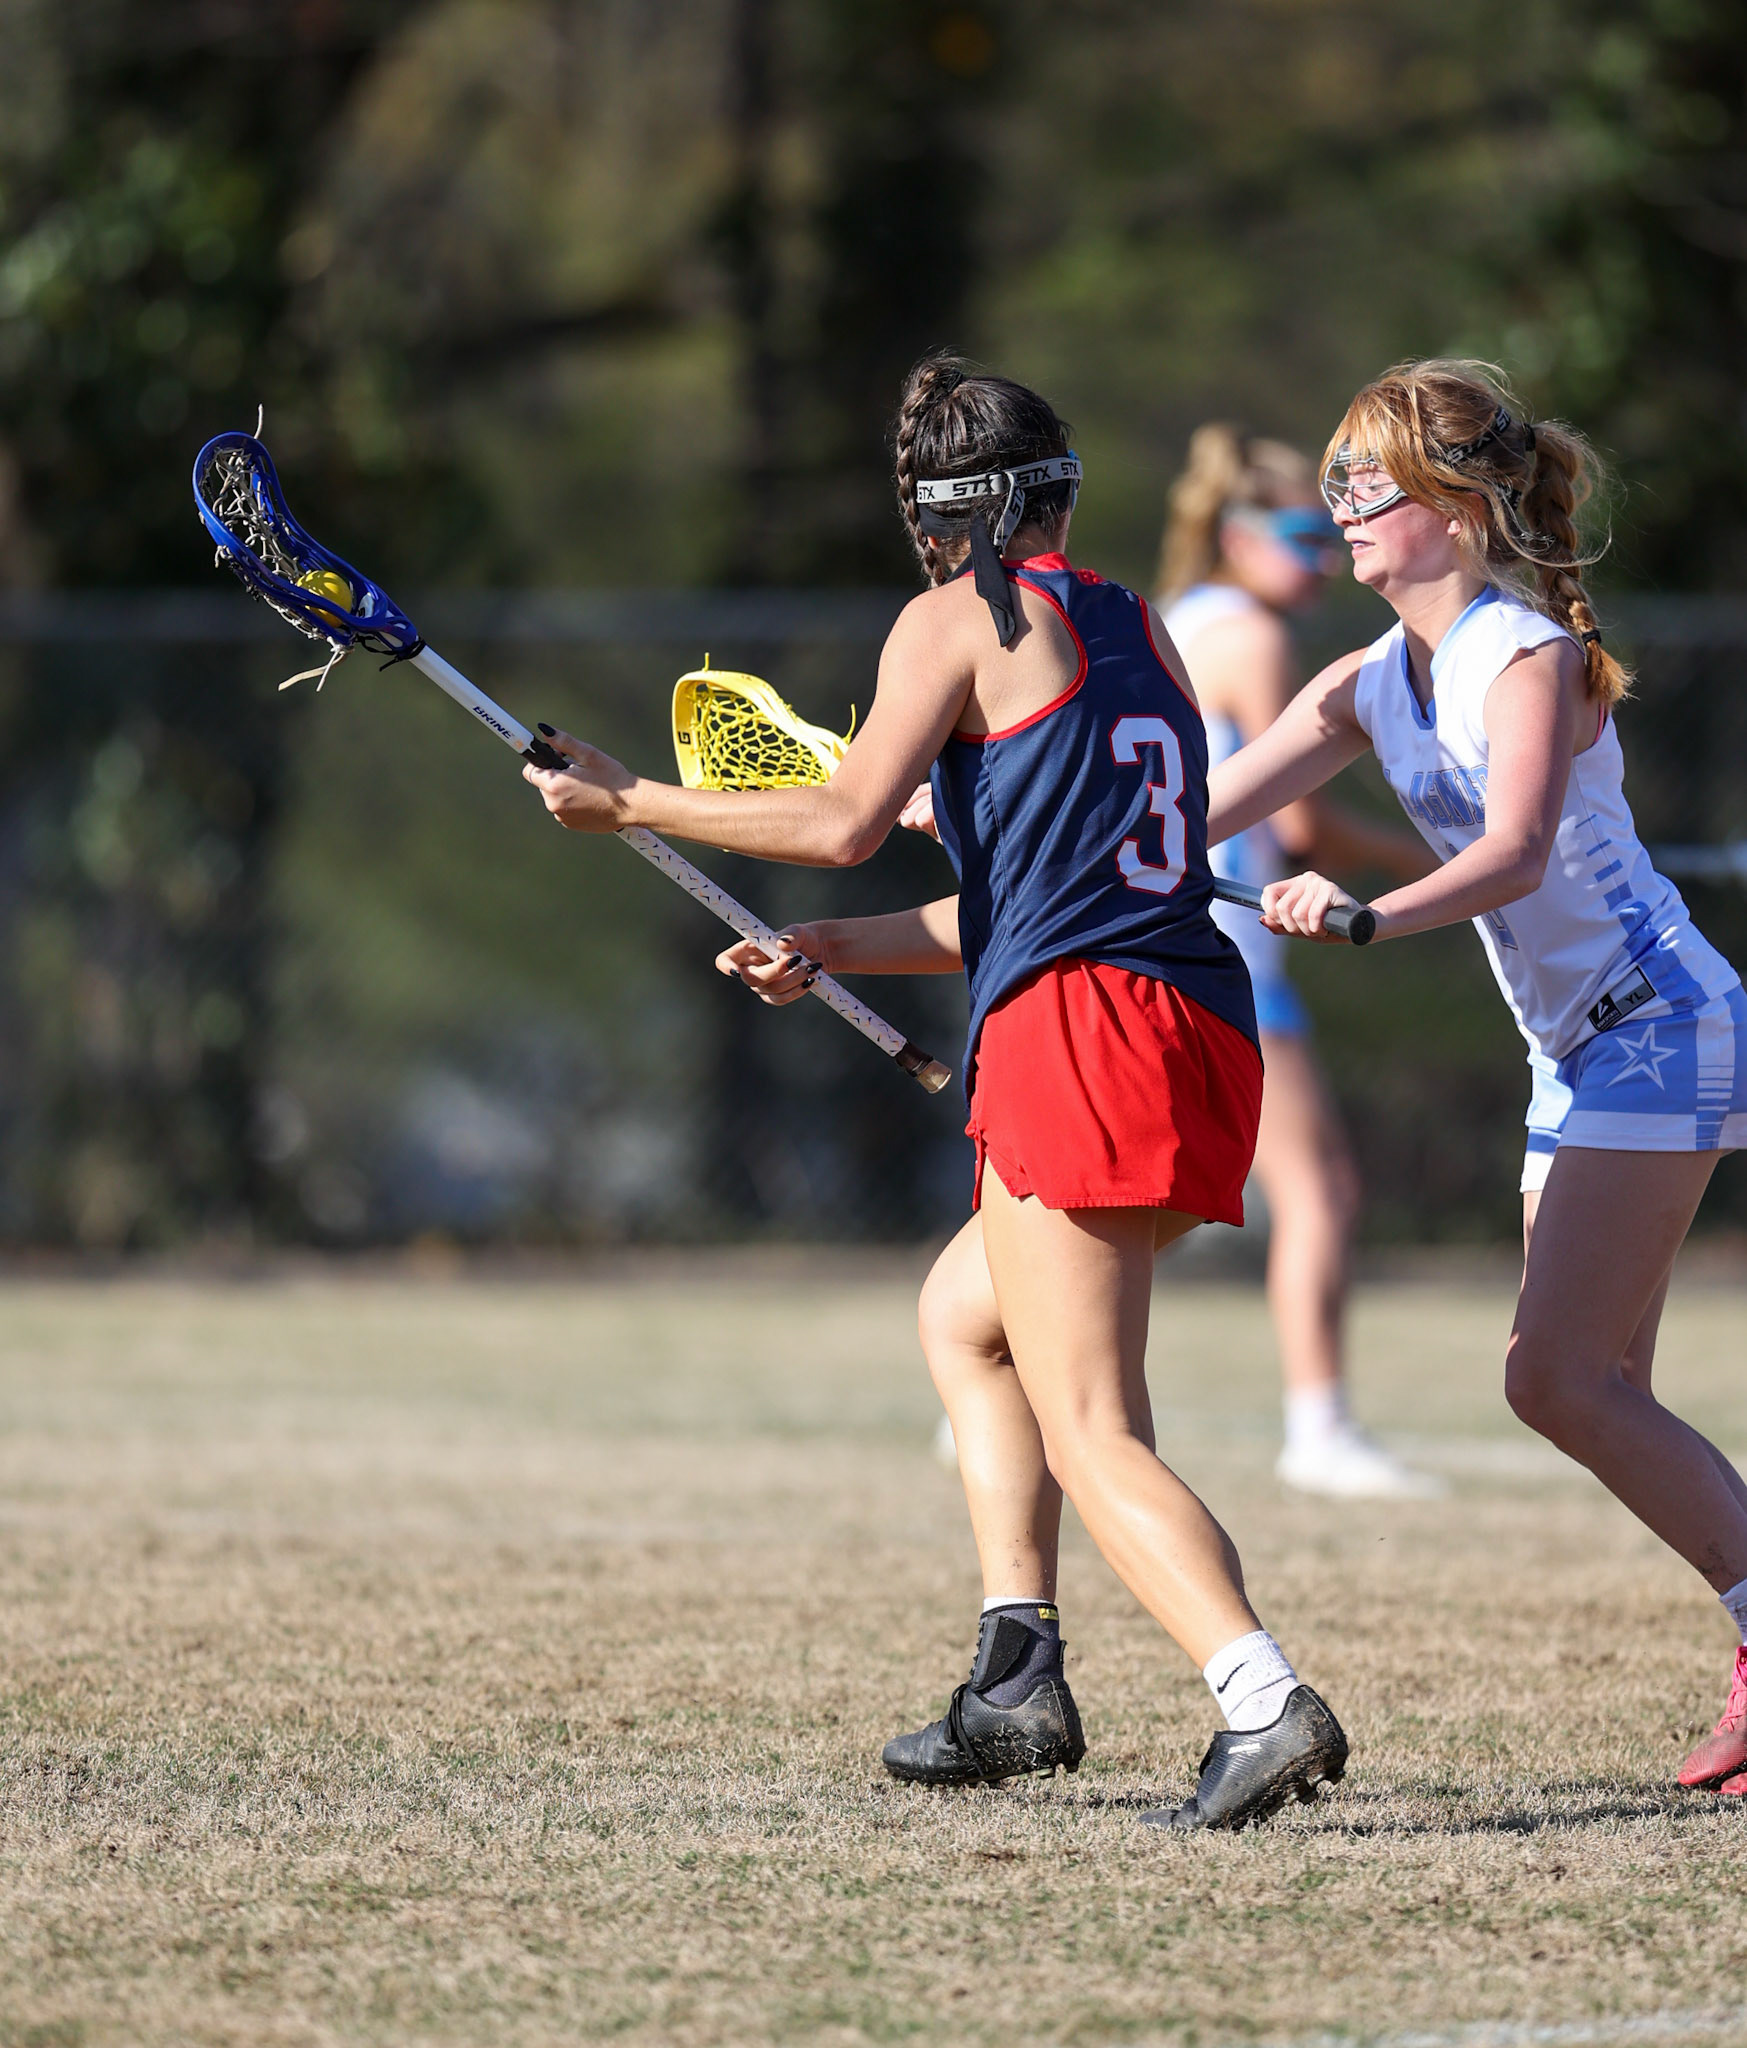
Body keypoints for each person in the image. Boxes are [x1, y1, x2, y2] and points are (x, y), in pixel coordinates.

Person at [525, 353, 1349, 1830]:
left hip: (1082, 1035)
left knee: (1089, 1418)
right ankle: (1014, 1673)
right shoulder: (1128, 622)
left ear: (931, 514)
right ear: (1058, 490)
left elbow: (844, 820)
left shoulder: (950, 620)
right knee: (965, 1323)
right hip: (1192, 1024)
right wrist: (831, 951)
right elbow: (1027, 897)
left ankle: (1256, 1696)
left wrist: (625, 801)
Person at [1207, 357, 1747, 1798]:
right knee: (1589, 1383)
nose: (1333, 519)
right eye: (1322, 491)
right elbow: (1188, 818)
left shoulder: (1524, 652)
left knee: (1552, 1378)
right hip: (1571, 1051)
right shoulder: (1363, 681)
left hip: (1660, 1025)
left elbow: (1508, 848)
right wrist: (1018, 837)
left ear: (1452, 508)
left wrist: (1365, 911)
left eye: (1357, 490)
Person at [1159, 424, 1442, 1499]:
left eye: (1331, 536)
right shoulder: (1254, 636)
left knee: (1153, 1194)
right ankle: (1318, 1426)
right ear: (1236, 535)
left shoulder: (1180, 616)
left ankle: (1003, 1366)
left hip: (1169, 934)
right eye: (1298, 535)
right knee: (1317, 1185)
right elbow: (1309, 827)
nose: (1325, 556)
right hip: (1228, 945)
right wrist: (1454, 860)